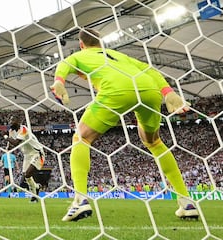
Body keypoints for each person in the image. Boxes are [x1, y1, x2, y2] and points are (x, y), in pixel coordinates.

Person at [50, 28, 198, 221]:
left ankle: (80, 200)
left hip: (117, 90)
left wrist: (59, 81)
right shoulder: (119, 55)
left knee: (81, 137)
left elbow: (64, 64)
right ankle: (186, 202)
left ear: (81, 44)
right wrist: (168, 92)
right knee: (154, 142)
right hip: (148, 88)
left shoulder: (79, 55)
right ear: (101, 43)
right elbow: (149, 69)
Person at [3, 116, 44, 203]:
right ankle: (35, 190)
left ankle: (34, 195)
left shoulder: (24, 129)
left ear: (18, 122)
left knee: (28, 173)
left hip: (36, 152)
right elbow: (11, 145)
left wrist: (5, 136)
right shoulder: (11, 131)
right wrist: (7, 147)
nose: (10, 122)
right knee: (26, 176)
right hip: (27, 155)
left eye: (13, 120)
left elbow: (16, 142)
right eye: (10, 120)